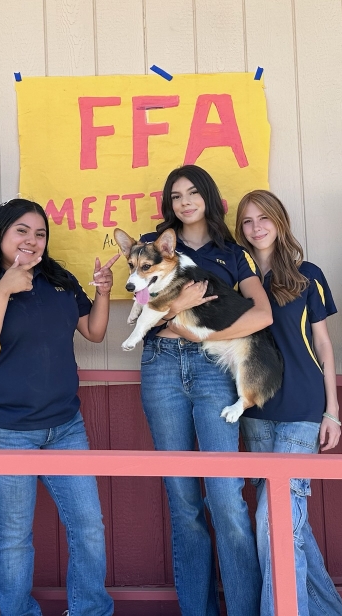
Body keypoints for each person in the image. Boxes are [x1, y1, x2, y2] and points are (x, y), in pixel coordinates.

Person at [0, 199, 116, 616]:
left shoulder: (59, 280)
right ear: (1, 236)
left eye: (40, 233)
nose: (31, 240)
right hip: (5, 428)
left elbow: (94, 333)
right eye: (21, 231)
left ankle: (90, 610)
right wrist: (6, 287)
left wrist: (103, 291)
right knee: (14, 534)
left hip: (65, 425)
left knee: (89, 528)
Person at [137, 164, 271, 616]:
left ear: (209, 198)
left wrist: (203, 337)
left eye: (193, 193)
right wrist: (177, 312)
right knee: (183, 500)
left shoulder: (234, 253)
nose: (185, 202)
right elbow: (140, 309)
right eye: (176, 196)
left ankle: (244, 610)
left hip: (215, 368)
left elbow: (262, 315)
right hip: (160, 367)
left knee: (225, 498)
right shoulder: (152, 248)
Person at [235, 190, 342, 616]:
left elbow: (323, 344)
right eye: (247, 221)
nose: (256, 227)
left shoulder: (306, 274)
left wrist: (332, 410)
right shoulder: (237, 279)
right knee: (288, 525)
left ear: (280, 222)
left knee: (274, 520)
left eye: (264, 218)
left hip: (302, 408)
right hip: (257, 414)